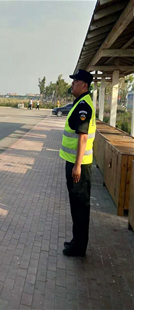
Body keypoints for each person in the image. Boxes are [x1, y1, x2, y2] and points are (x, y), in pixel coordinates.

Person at [60, 69, 96, 257]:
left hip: (79, 166)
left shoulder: (83, 106)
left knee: (80, 206)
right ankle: (76, 241)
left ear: (84, 85)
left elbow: (83, 138)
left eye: (75, 81)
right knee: (76, 205)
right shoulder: (80, 103)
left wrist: (77, 166)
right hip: (75, 163)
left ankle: (79, 247)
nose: (72, 84)